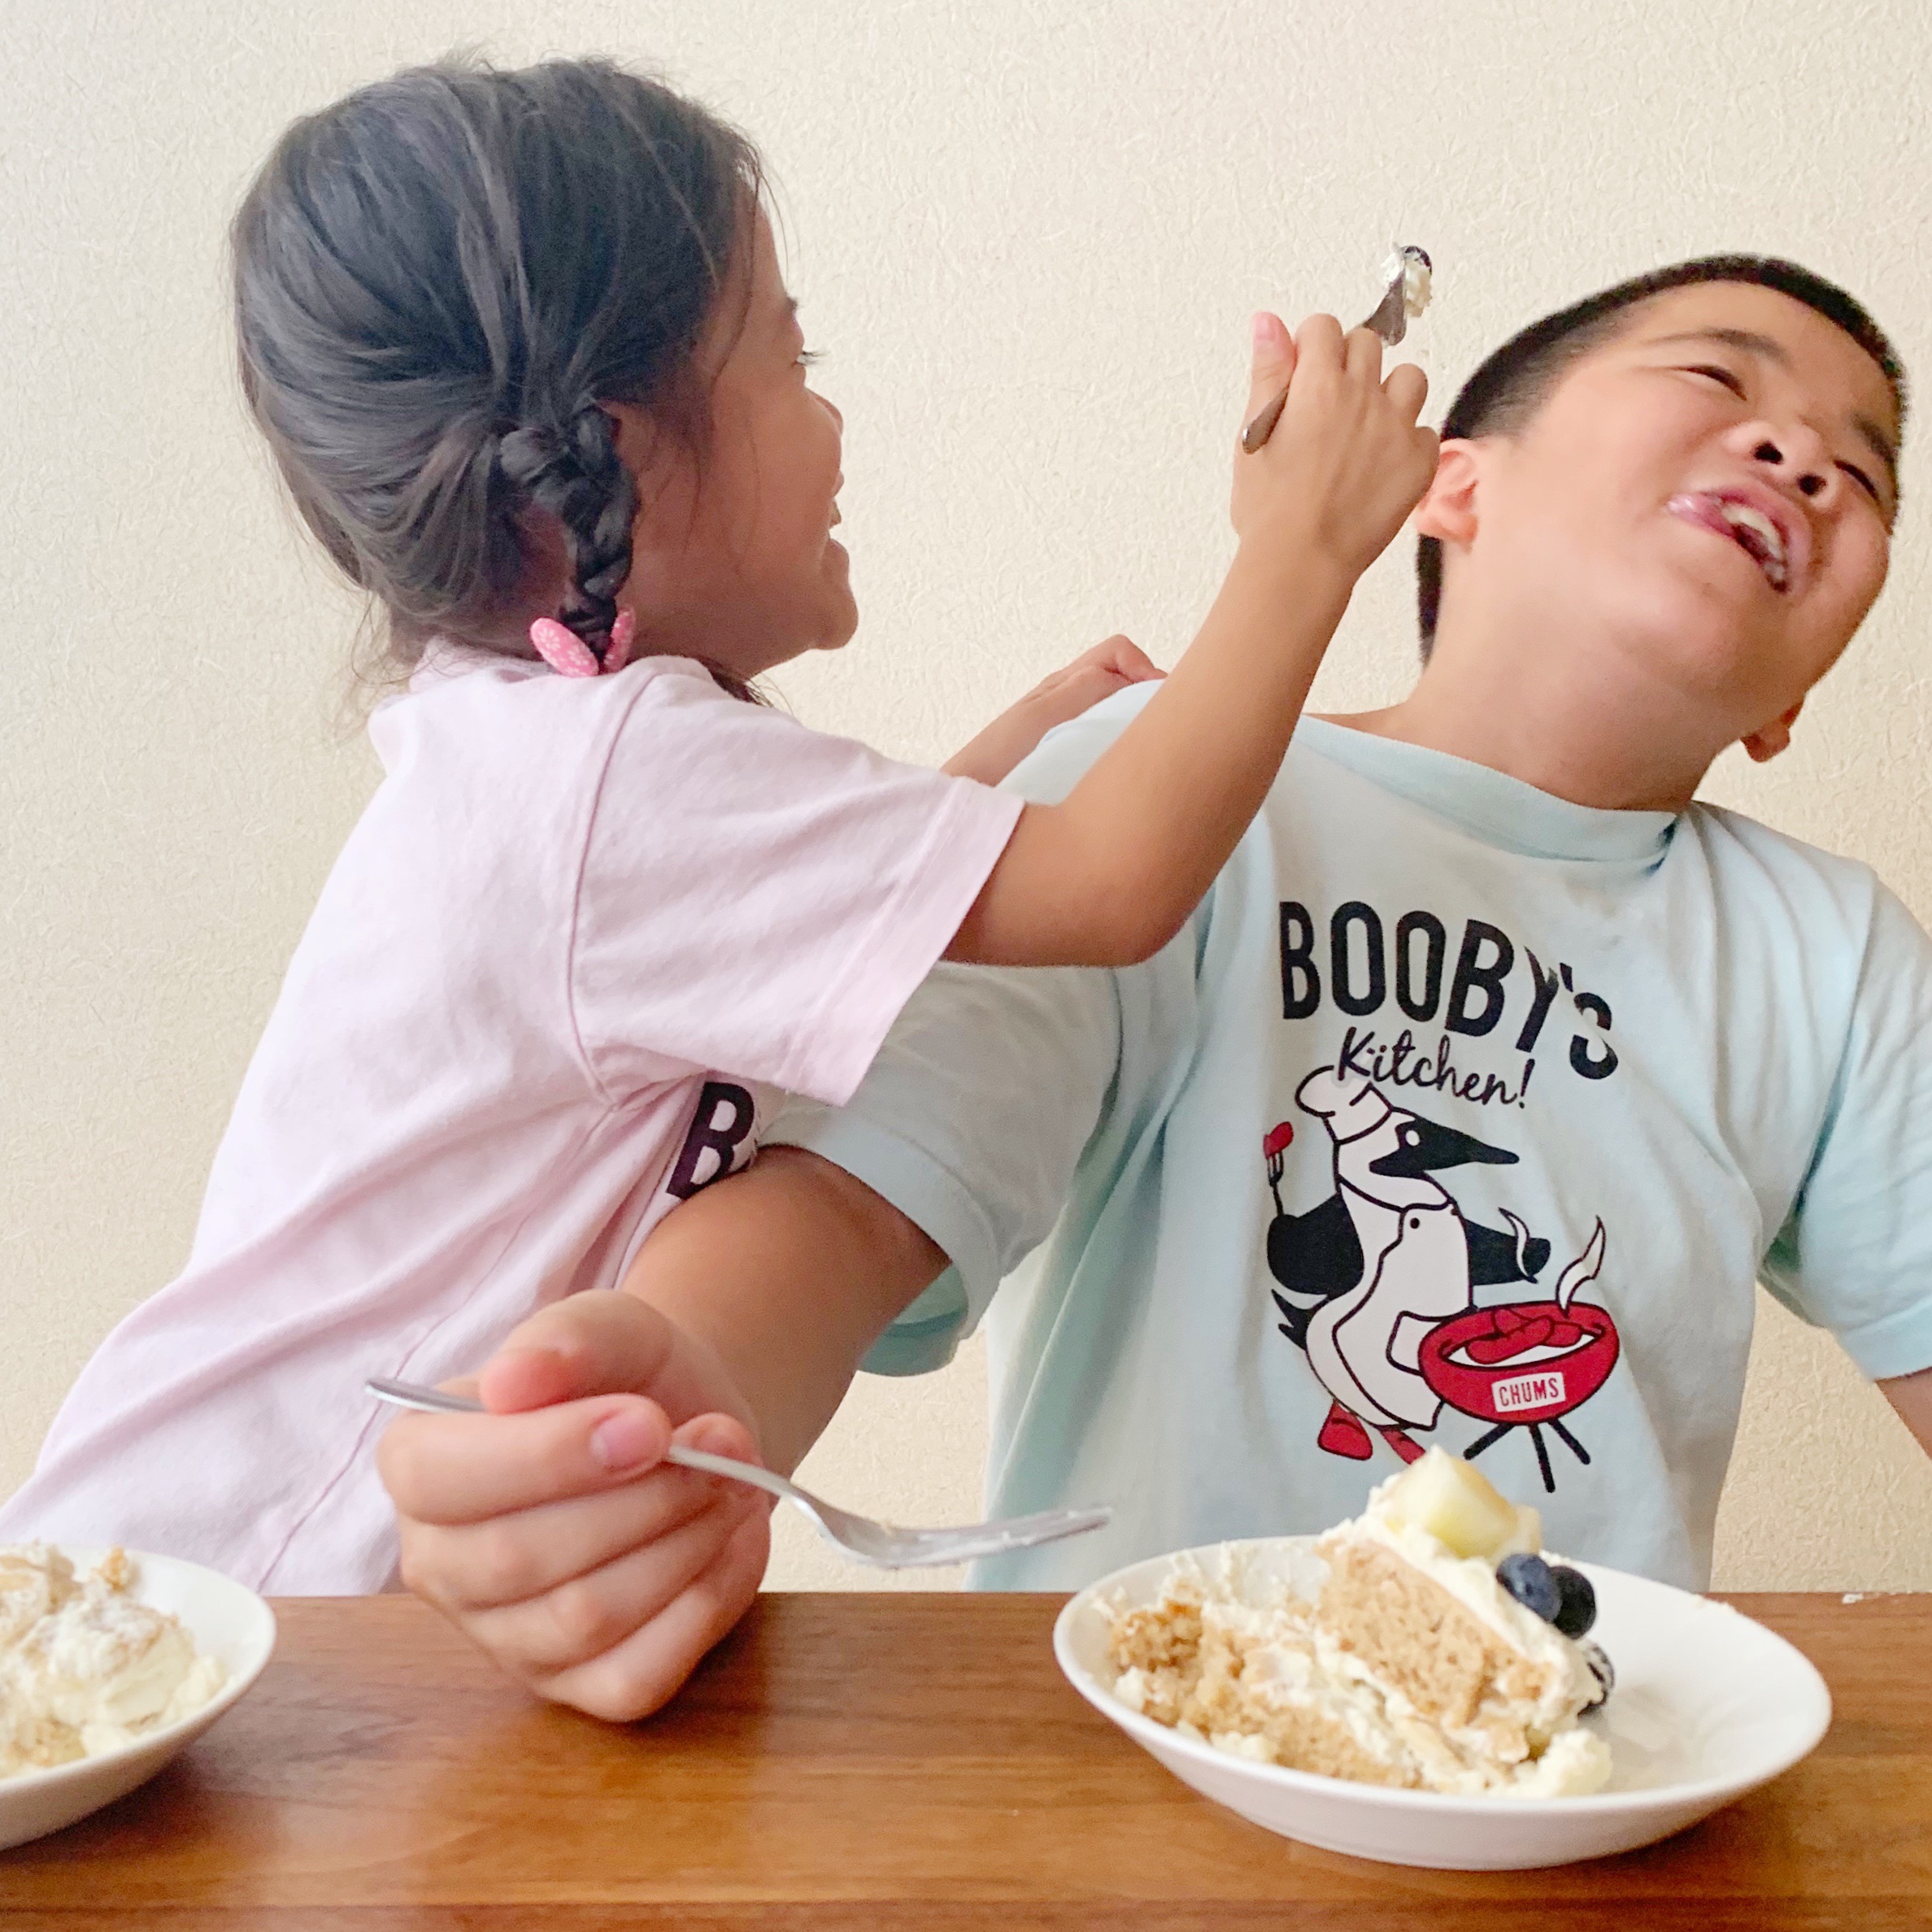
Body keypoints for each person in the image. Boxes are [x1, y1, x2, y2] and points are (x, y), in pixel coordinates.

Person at [379, 254, 1932, 1726]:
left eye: (1860, 476)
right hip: (1137, 1769)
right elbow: (850, 1215)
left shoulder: (1832, 955)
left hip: (1578, 1792)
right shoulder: (1166, 801)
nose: (1801, 454)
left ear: (1795, 702)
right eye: (1720, 379)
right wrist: (684, 1390)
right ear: (1451, 484)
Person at [0, 58, 1436, 1588]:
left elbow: (856, 919)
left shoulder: (546, 754)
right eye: (792, 356)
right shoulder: (610, 773)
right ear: (619, 456)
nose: (831, 412)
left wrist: (1032, 735)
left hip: (209, 1565)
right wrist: (1301, 547)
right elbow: (1114, 885)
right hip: (245, 1594)